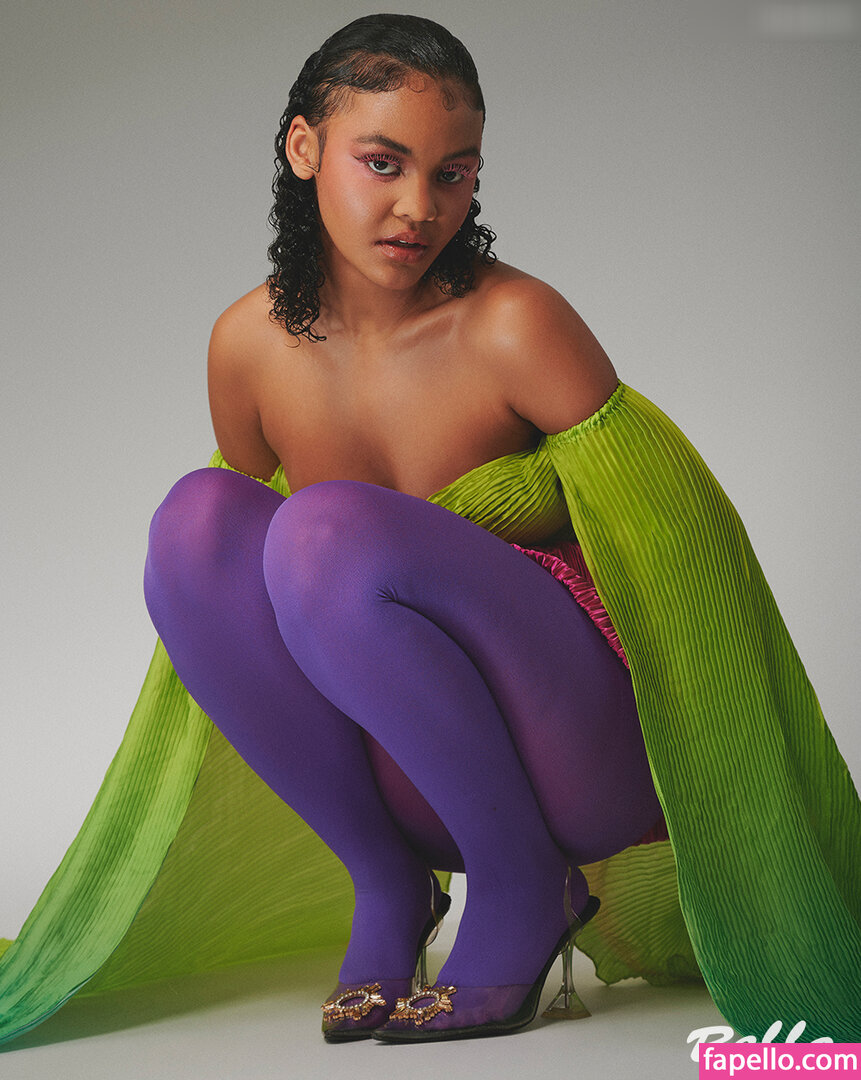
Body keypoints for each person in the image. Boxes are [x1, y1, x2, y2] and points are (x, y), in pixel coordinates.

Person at [0, 12, 858, 1049]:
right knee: (196, 521)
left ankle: (526, 881)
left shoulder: (514, 325)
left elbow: (682, 549)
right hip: (404, 769)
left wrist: (746, 798)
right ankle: (388, 880)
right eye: (383, 163)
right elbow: (231, 597)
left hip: (581, 756)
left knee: (324, 530)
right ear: (303, 148)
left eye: (454, 174)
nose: (420, 207)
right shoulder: (245, 346)